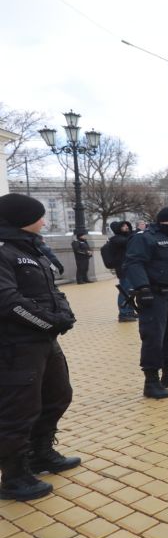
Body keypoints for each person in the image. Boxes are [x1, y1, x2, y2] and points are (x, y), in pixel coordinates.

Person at [0, 194, 79, 501]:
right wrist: (49, 322)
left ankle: (40, 452)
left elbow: (52, 290)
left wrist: (64, 314)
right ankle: (14, 475)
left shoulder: (31, 249)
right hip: (15, 345)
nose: (45, 221)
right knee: (18, 410)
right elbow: (7, 301)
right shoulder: (4, 252)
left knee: (58, 394)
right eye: (40, 216)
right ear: (22, 218)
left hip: (43, 341)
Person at [122, 207, 168, 399]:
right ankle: (151, 381)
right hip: (154, 294)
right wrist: (142, 287)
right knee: (153, 337)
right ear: (162, 222)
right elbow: (133, 262)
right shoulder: (144, 238)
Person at [107, 221, 138, 322]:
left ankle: (130, 311)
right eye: (123, 226)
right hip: (123, 269)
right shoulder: (116, 239)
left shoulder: (127, 237)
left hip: (130, 268)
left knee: (130, 291)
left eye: (127, 226)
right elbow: (128, 241)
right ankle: (124, 313)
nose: (126, 227)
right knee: (125, 291)